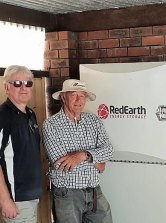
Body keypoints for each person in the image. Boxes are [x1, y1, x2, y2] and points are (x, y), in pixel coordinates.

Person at [42, 79, 114, 223]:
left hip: (94, 190)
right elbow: (61, 164)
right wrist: (96, 161)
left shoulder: (93, 121)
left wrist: (82, 155)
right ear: (63, 97)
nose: (78, 100)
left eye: (82, 96)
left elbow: (109, 150)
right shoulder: (51, 125)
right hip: (67, 193)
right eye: (74, 95)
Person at [0, 65, 42, 222]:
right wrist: (5, 200)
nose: (23, 88)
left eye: (28, 83)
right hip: (16, 199)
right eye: (17, 83)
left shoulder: (30, 114)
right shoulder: (3, 116)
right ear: (7, 87)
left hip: (32, 196)